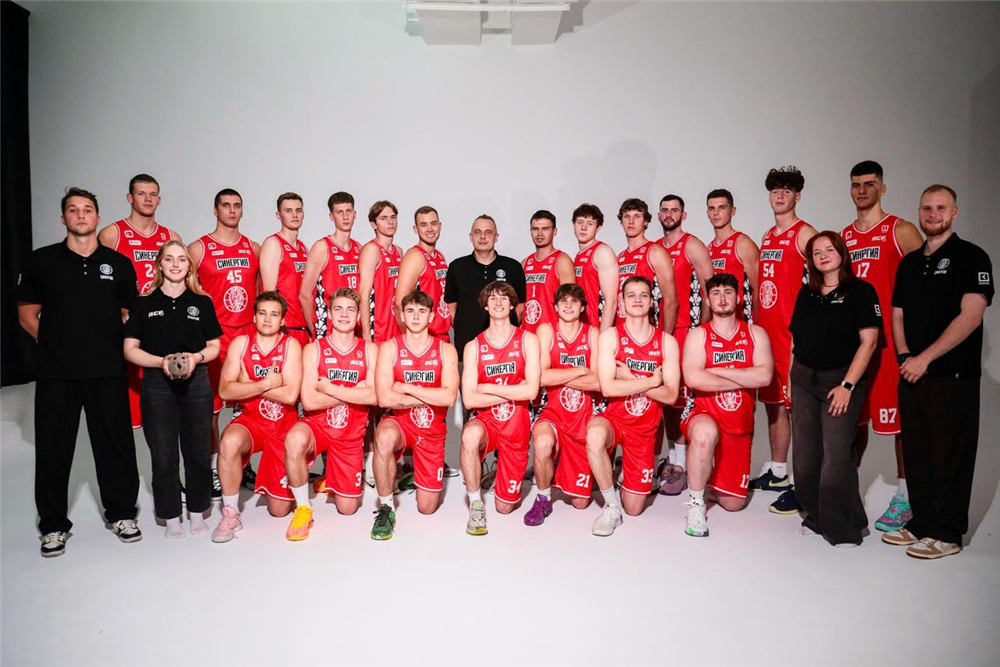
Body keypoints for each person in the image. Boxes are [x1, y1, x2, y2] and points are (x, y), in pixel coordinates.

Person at [17, 187, 142, 556]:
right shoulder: (43, 261)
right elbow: (27, 314)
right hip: (57, 373)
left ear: (97, 218)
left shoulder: (118, 263)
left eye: (87, 209)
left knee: (115, 445)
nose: (81, 215)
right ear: (63, 218)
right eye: (73, 210)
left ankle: (122, 514)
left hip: (107, 370)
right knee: (53, 449)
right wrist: (56, 345)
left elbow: (128, 313)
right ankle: (53, 526)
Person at [885, 185, 993, 559]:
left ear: (954, 212)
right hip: (911, 373)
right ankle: (922, 523)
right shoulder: (910, 263)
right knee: (917, 452)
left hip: (953, 376)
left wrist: (925, 359)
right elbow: (897, 313)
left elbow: (971, 315)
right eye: (927, 208)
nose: (933, 214)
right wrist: (905, 355)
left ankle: (947, 533)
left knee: (951, 455)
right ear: (919, 212)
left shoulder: (972, 257)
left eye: (941, 208)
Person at [840, 161, 923, 532]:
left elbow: (926, 280)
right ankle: (846, 490)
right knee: (852, 420)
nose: (862, 191)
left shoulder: (899, 230)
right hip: (855, 346)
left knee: (899, 423)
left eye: (869, 184)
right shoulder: (843, 237)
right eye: (856, 184)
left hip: (890, 345)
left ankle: (906, 495)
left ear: (882, 189)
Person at [122, 241, 221, 539]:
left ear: (189, 267)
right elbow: (130, 348)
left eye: (181, 259)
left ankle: (197, 511)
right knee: (163, 455)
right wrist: (159, 362)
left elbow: (214, 346)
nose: (176, 264)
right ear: (159, 265)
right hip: (157, 383)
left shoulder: (201, 302)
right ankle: (171, 516)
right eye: (169, 259)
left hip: (197, 381)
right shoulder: (144, 302)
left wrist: (196, 358)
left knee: (198, 451)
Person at [789, 232, 880, 547]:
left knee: (836, 455)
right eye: (817, 252)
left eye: (829, 249)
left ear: (842, 253)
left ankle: (845, 527)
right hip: (803, 378)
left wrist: (847, 385)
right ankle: (818, 516)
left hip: (840, 380)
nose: (823, 255)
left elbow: (869, 343)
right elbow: (795, 339)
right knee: (805, 458)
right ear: (811, 260)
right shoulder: (807, 293)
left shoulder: (861, 291)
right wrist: (790, 380)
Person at [585, 276, 680, 536]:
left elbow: (671, 395)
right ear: (622, 303)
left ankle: (621, 471)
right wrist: (651, 381)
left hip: (644, 430)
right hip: (615, 420)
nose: (637, 300)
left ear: (651, 302)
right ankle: (610, 507)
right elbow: (608, 388)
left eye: (643, 295)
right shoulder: (610, 337)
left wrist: (629, 378)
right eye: (631, 295)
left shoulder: (666, 342)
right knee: (594, 435)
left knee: (635, 508)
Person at [680, 273, 773, 537]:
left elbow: (764, 377)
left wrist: (717, 371)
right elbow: (694, 379)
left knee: (733, 504)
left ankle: (706, 477)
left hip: (739, 423)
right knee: (704, 434)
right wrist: (743, 375)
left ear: (738, 298)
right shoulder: (698, 335)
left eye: (728, 292)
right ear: (707, 301)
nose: (722, 298)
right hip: (702, 413)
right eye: (716, 293)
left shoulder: (756, 334)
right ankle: (696, 503)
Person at [283, 288, 377, 541]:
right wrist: (354, 390)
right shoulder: (313, 349)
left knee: (348, 509)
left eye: (350, 310)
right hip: (319, 427)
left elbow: (374, 397)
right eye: (338, 309)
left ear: (358, 316)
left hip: (350, 435)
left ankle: (332, 476)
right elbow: (309, 400)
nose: (344, 315)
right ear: (329, 314)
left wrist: (329, 387)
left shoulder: (370, 350)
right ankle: (303, 509)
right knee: (295, 439)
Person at [750, 167, 817, 515]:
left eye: (786, 190)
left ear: (798, 196)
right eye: (775, 190)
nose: (779, 195)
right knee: (774, 404)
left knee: (799, 411)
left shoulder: (805, 234)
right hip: (769, 337)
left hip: (793, 339)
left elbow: (824, 280)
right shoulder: (768, 236)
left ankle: (806, 486)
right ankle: (778, 473)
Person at [211, 292, 303, 543]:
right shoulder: (240, 344)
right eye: (262, 313)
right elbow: (225, 390)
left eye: (274, 314)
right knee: (229, 442)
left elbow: (290, 395)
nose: (267, 319)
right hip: (250, 421)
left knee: (279, 511)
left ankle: (277, 484)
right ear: (254, 317)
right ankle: (231, 513)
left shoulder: (291, 345)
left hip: (282, 426)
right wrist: (267, 383)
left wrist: (248, 383)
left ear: (283, 320)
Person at [189, 188, 261, 496]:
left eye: (237, 206)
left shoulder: (253, 248)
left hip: (247, 337)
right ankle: (215, 468)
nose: (232, 210)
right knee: (212, 410)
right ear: (215, 210)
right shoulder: (198, 248)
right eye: (226, 205)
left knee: (249, 405)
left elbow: (260, 293)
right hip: (216, 338)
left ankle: (243, 464)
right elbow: (188, 293)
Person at [372, 290, 460, 540]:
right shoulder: (390, 348)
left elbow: (449, 398)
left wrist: (406, 387)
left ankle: (416, 474)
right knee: (384, 437)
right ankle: (386, 508)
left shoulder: (446, 350)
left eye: (422, 311)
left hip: (432, 431)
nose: (415, 316)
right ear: (402, 315)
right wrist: (430, 395)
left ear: (431, 316)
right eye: (410, 311)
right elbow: (384, 399)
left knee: (427, 508)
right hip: (400, 423)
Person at [98, 173, 182, 430]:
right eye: (141, 194)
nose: (148, 199)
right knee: (124, 406)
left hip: (161, 327)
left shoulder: (171, 236)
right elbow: (101, 285)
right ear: (130, 198)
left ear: (159, 200)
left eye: (153, 194)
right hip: (127, 327)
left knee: (165, 408)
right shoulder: (112, 234)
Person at [459, 282, 541, 534]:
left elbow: (531, 392)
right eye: (492, 298)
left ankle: (498, 474)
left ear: (512, 304)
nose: (498, 302)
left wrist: (487, 388)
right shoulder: (473, 346)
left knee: (505, 508)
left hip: (516, 428)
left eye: (504, 298)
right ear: (485, 305)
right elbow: (469, 400)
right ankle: (476, 505)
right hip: (488, 423)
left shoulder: (528, 340)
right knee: (470, 435)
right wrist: (513, 390)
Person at [525, 284, 600, 526]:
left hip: (583, 416)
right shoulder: (546, 330)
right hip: (553, 411)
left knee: (580, 503)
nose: (568, 305)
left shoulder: (592, 333)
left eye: (574, 301)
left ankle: (561, 467)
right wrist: (579, 370)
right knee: (542, 442)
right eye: (563, 301)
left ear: (583, 307)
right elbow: (540, 377)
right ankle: (543, 498)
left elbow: (598, 382)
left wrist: (559, 375)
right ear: (555, 307)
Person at [658, 194, 714, 496]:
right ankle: (673, 458)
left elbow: (710, 289)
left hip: (686, 329)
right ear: (658, 215)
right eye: (664, 210)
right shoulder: (656, 247)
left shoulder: (691, 245)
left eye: (674, 210)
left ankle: (682, 463)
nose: (669, 214)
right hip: (661, 330)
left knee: (683, 397)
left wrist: (700, 331)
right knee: (667, 398)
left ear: (684, 214)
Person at [445, 215, 527, 362]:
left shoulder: (513, 267)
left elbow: (520, 306)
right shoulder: (457, 267)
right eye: (477, 232)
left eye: (488, 232)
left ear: (496, 237)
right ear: (471, 237)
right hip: (466, 349)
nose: (482, 236)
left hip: (506, 350)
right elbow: (451, 308)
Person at [298, 191, 361, 339]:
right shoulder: (322, 247)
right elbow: (304, 294)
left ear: (355, 214)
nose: (345, 217)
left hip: (353, 328)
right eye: (340, 212)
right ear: (331, 216)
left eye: (348, 211)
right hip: (328, 329)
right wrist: (315, 328)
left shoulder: (359, 248)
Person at [614, 197, 678, 330]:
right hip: (622, 331)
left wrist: (664, 338)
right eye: (627, 216)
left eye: (637, 216)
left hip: (647, 331)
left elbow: (671, 301)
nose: (631, 221)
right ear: (621, 221)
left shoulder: (655, 252)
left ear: (645, 221)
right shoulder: (619, 257)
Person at [260, 192, 310, 347]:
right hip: (284, 327)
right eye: (288, 211)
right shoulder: (273, 244)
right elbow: (268, 294)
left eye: (298, 210)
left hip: (302, 326)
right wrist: (277, 326)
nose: (294, 215)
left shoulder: (303, 247)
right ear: (278, 215)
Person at [395, 205, 452, 341]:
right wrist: (410, 338)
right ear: (416, 229)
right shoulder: (415, 256)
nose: (430, 229)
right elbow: (399, 303)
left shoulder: (440, 256)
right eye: (424, 225)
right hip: (423, 338)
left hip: (442, 335)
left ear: (440, 226)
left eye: (433, 223)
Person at [706, 188, 758, 323]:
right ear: (707, 213)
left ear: (733, 211)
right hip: (718, 322)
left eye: (722, 207)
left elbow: (758, 288)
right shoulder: (708, 249)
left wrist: (758, 325)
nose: (716, 213)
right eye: (711, 208)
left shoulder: (743, 244)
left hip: (742, 320)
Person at [521, 210, 575, 334]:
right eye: (535, 229)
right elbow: (519, 305)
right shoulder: (525, 263)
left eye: (545, 229)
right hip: (527, 334)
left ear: (554, 231)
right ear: (530, 232)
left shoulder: (562, 261)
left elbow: (569, 304)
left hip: (552, 335)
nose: (539, 233)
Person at [358, 200, 403, 344]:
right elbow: (363, 294)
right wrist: (366, 334)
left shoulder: (398, 251)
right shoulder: (372, 249)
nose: (390, 222)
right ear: (373, 224)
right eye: (383, 218)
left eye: (393, 217)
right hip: (378, 328)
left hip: (395, 325)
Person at [572, 203, 619, 331]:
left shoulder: (602, 252)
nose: (583, 227)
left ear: (598, 228)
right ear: (573, 225)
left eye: (590, 224)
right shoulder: (578, 256)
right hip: (582, 328)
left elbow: (611, 301)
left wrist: (602, 336)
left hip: (596, 328)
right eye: (580, 222)